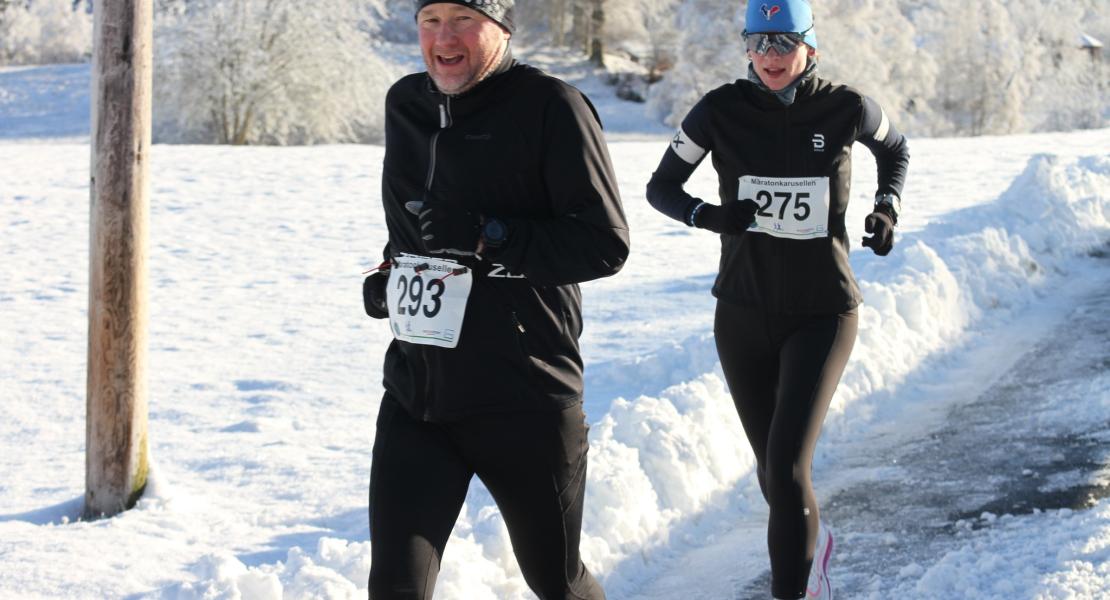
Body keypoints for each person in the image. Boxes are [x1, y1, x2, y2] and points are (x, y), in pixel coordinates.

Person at [361, 1, 629, 598]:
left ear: (501, 27)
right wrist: (390, 272)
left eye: (463, 19)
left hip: (524, 396)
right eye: (430, 20)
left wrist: (489, 235)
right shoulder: (404, 103)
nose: (443, 38)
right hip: (417, 395)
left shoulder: (551, 107)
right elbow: (414, 222)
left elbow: (603, 244)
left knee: (556, 582)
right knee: (395, 589)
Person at [645, 1, 909, 599]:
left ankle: (795, 589)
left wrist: (887, 207)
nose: (769, 56)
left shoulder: (848, 106)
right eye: (758, 43)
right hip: (741, 313)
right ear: (745, 47)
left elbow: (896, 149)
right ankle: (811, 545)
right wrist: (708, 215)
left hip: (823, 311)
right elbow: (661, 186)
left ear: (809, 47)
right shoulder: (719, 111)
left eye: (783, 42)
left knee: (788, 469)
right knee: (773, 472)